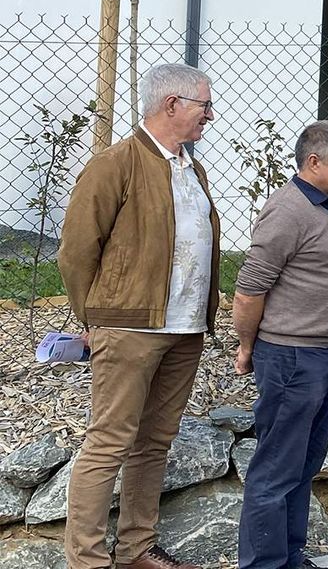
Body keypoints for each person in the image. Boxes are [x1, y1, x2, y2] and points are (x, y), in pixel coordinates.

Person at [59, 64, 222, 569]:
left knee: (154, 443)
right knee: (109, 442)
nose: (210, 116)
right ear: (171, 105)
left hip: (185, 328)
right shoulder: (115, 164)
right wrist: (95, 319)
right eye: (204, 106)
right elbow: (77, 251)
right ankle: (86, 560)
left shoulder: (192, 169)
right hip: (129, 327)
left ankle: (135, 550)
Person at [234, 121, 328, 569]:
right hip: (291, 358)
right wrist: (247, 346)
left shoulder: (323, 206)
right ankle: (264, 564)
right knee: (276, 470)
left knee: (302, 466)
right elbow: (249, 289)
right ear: (314, 162)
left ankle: (289, 556)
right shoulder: (288, 210)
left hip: (320, 353)